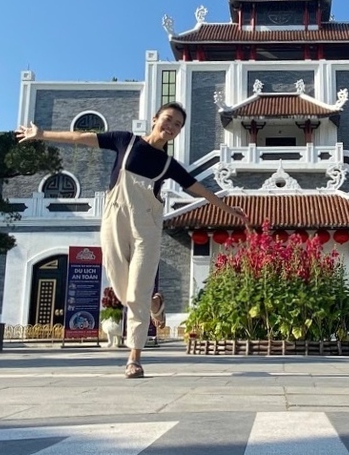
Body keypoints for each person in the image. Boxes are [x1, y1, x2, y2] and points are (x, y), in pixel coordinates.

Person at [17, 102, 249, 378]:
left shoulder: (168, 164)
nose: (171, 126)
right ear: (155, 119)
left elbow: (198, 188)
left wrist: (227, 208)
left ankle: (134, 357)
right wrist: (41, 134)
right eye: (168, 119)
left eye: (177, 124)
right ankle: (154, 305)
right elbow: (81, 138)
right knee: (120, 284)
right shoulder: (125, 141)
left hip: (146, 227)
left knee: (137, 291)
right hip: (115, 216)